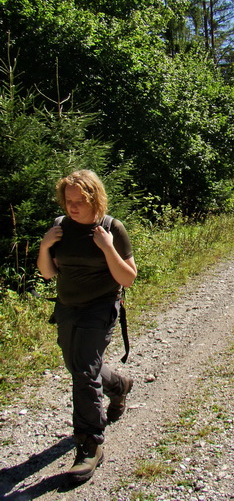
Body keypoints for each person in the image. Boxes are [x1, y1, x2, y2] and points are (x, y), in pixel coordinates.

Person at [37, 170, 137, 483]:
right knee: (78, 365)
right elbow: (47, 274)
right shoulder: (59, 227)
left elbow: (128, 278)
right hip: (67, 308)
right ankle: (118, 385)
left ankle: (89, 445)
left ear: (95, 198)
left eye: (80, 200)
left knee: (83, 371)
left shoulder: (111, 228)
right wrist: (44, 246)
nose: (73, 206)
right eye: (69, 200)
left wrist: (107, 247)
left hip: (100, 307)